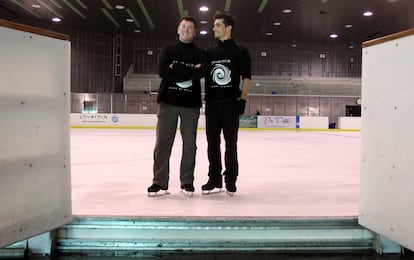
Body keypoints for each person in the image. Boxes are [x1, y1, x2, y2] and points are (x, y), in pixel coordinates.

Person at [147, 16, 207, 197]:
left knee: (190, 145)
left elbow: (202, 72)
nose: (186, 30)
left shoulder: (200, 53)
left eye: (190, 28)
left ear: (195, 32)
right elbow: (163, 72)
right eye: (183, 26)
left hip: (191, 105)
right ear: (178, 29)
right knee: (163, 143)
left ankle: (187, 182)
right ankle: (159, 182)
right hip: (168, 102)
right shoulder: (168, 49)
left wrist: (176, 70)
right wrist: (191, 72)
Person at [202, 13, 252, 195]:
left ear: (228, 28)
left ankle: (230, 178)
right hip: (212, 104)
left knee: (231, 143)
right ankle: (214, 178)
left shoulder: (241, 52)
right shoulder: (209, 53)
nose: (213, 28)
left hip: (230, 104)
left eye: (217, 25)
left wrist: (243, 100)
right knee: (212, 143)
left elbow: (247, 78)